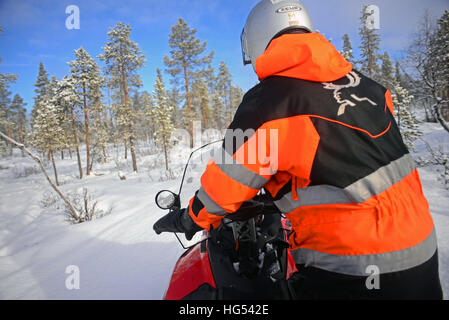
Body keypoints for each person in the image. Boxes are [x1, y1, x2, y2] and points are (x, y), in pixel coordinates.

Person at [154, 0, 443, 300]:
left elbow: (225, 185)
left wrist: (190, 217)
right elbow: (348, 157)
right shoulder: (370, 88)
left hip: (354, 265)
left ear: (258, 40)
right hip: (422, 253)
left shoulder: (269, 103)